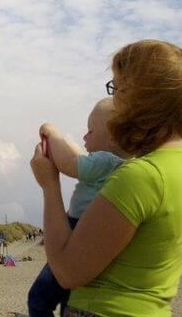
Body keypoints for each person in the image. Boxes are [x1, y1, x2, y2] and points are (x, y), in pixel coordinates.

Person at [31, 39, 182, 317]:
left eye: (116, 88)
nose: (114, 101)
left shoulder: (140, 177)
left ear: (139, 97)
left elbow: (66, 272)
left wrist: (49, 185)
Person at [28, 98, 129, 317]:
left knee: (38, 299)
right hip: (96, 232)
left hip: (76, 229)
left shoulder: (104, 161)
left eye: (90, 131)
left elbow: (69, 163)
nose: (84, 137)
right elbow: (77, 155)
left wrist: (50, 131)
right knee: (69, 298)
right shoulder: (120, 166)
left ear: (113, 136)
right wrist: (62, 142)